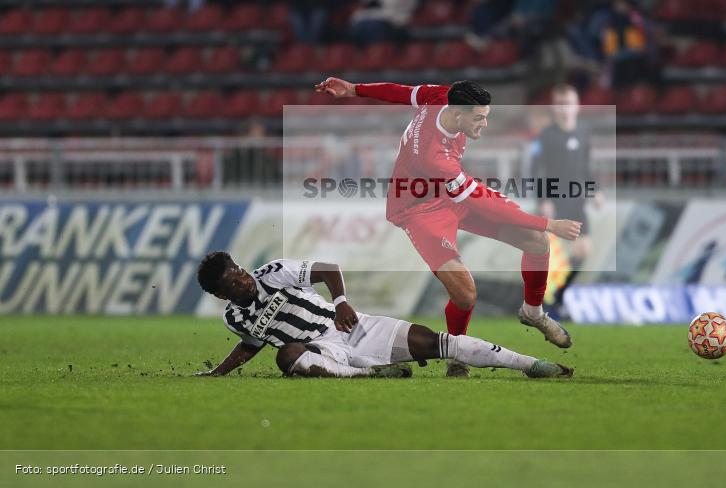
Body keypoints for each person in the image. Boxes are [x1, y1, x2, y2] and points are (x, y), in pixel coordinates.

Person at [314, 77, 581, 377]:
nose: (484, 124)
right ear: (457, 115)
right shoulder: (434, 156)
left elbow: (402, 93)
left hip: (447, 195)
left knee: (536, 240)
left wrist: (354, 89)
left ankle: (533, 312)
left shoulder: (443, 95)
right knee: (466, 294)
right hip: (418, 209)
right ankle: (458, 355)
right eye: (479, 118)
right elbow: (485, 202)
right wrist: (549, 222)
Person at [194, 252, 573, 379]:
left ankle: (530, 364)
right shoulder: (234, 318)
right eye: (233, 281)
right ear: (220, 293)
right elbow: (250, 345)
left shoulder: (272, 273)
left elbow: (326, 268)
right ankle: (368, 374)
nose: (244, 279)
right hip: (320, 351)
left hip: (351, 327)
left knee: (439, 343)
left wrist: (341, 300)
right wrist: (217, 373)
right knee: (286, 355)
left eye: (240, 271)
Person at [530, 84, 594, 320]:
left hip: (577, 202)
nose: (564, 109)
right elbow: (536, 170)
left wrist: (595, 191)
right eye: (560, 104)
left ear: (577, 106)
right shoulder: (546, 136)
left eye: (568, 103)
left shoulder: (583, 133)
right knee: (548, 255)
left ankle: (558, 298)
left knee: (583, 250)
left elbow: (586, 167)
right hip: (554, 202)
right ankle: (537, 302)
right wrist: (544, 198)